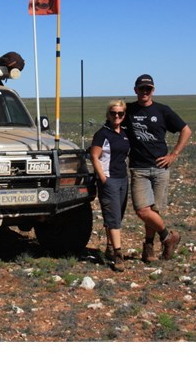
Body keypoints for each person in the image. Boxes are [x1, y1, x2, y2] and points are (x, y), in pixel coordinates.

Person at [125, 74, 192, 263]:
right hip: (139, 168)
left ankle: (148, 248)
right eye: (141, 89)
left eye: (148, 89)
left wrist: (174, 154)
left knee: (154, 211)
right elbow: (112, 123)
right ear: (135, 90)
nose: (144, 92)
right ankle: (168, 237)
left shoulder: (162, 110)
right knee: (142, 210)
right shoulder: (128, 110)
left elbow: (186, 130)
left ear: (153, 90)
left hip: (160, 168)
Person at [90, 100, 130, 272]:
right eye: (113, 113)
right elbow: (94, 156)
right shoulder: (102, 134)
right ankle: (118, 255)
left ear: (124, 115)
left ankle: (108, 246)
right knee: (114, 218)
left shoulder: (124, 133)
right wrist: (103, 178)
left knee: (116, 215)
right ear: (108, 114)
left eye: (120, 113)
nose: (117, 116)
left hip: (122, 178)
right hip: (109, 180)